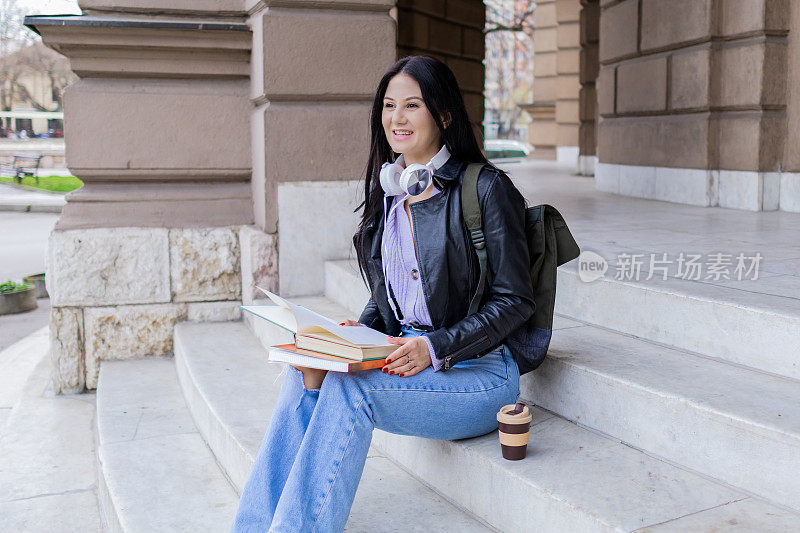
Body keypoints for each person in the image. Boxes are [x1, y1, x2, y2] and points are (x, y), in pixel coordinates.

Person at [231, 55, 535, 532]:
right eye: (389, 106)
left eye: (412, 105)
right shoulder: (390, 194)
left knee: (352, 391)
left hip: (479, 373)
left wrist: (435, 346)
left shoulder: (487, 189)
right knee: (305, 372)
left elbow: (515, 301)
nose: (396, 118)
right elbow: (390, 295)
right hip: (402, 353)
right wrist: (356, 335)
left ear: (444, 115)